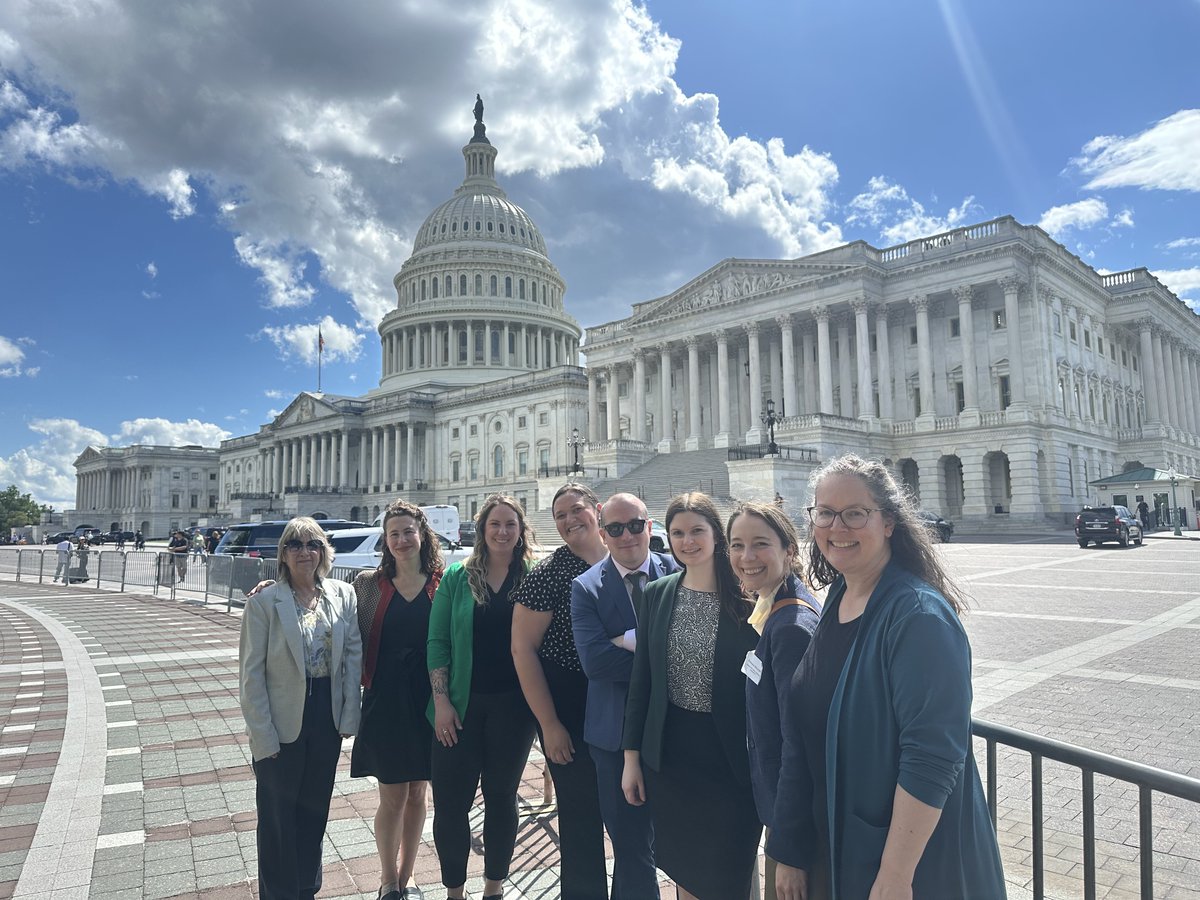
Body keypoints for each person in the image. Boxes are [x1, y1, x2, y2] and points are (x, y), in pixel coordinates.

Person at [770, 455, 1006, 900]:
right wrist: (793, 844)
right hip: (843, 842)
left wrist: (896, 874)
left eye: (855, 513)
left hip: (908, 866)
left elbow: (932, 756)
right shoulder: (842, 594)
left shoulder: (918, 616)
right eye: (824, 512)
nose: (837, 527)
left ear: (889, 522)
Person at [622, 492, 760, 900]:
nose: (687, 542)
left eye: (697, 531)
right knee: (684, 870)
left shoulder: (748, 595)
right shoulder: (657, 593)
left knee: (729, 872)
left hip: (731, 756)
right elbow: (642, 680)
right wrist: (632, 758)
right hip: (673, 755)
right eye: (678, 533)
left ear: (717, 535)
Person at [238, 517, 362, 900]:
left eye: (313, 544)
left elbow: (353, 656)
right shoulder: (264, 603)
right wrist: (263, 735)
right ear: (283, 554)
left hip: (325, 715)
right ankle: (278, 893)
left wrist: (348, 715)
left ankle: (306, 887)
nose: (304, 551)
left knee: (314, 809)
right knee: (277, 816)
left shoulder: (343, 594)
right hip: (281, 718)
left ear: (324, 551)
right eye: (294, 544)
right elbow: (251, 676)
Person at [428, 494, 538, 900]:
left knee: (501, 796)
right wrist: (441, 702)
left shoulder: (532, 575)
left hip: (514, 706)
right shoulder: (458, 576)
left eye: (510, 524)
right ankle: (454, 890)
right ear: (482, 529)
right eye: (495, 524)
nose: (503, 531)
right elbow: (437, 641)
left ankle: (494, 887)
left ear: (520, 529)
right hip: (460, 704)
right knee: (451, 803)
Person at [571, 492, 679, 899]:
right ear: (603, 534)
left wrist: (626, 642)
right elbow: (596, 663)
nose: (627, 535)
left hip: (676, 730)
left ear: (650, 527)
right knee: (632, 849)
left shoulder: (681, 572)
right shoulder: (586, 587)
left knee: (683, 843)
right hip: (614, 737)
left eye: (635, 525)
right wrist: (663, 659)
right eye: (615, 529)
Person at [511, 484, 610, 900]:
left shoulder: (630, 556)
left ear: (597, 510)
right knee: (581, 815)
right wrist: (549, 725)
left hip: (623, 697)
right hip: (570, 702)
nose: (570, 521)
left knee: (631, 813)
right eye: (559, 515)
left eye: (576, 510)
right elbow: (522, 649)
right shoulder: (549, 574)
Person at [728, 502, 821, 900]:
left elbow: (796, 745)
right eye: (736, 545)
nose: (746, 558)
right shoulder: (775, 605)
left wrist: (789, 852)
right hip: (782, 811)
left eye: (760, 544)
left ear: (790, 550)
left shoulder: (790, 628)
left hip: (792, 828)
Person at [351, 501, 443, 900]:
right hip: (385, 698)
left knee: (419, 792)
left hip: (429, 701)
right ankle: (388, 881)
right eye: (394, 534)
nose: (403, 540)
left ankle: (406, 878)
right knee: (392, 795)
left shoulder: (443, 581)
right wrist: (273, 585)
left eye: (409, 531)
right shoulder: (366, 584)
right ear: (385, 541)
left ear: (422, 534)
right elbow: (319, 597)